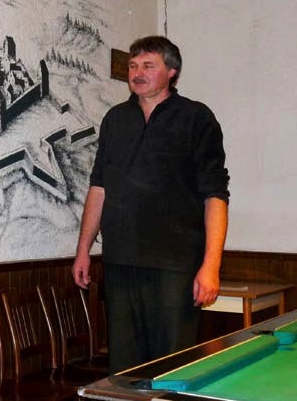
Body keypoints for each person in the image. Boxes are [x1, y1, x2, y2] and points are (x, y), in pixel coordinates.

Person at [71, 35, 229, 374]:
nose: (137, 73)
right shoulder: (115, 119)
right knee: (124, 367)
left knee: (172, 365)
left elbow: (215, 195)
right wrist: (83, 249)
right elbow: (99, 187)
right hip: (120, 261)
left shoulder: (196, 118)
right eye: (132, 66)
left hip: (175, 265)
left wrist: (211, 265)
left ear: (172, 72)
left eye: (148, 65)